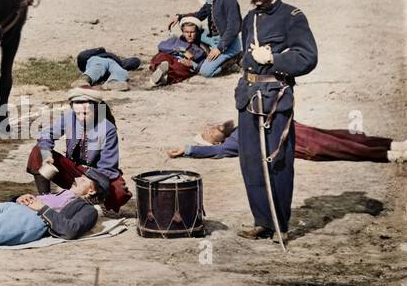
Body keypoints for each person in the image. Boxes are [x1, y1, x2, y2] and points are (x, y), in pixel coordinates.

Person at [234, 0, 318, 242]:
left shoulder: (292, 16)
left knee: (277, 161)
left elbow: (308, 58)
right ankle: (262, 220)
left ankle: (280, 224)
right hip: (248, 96)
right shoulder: (250, 18)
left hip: (275, 98)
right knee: (250, 161)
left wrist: (274, 59)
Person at [27, 89, 130, 211]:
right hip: (75, 171)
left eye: (86, 113)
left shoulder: (108, 128)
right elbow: (46, 135)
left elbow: (108, 167)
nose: (81, 118)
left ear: (96, 109)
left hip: (98, 174)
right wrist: (46, 155)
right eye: (78, 114)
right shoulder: (69, 118)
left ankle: (94, 204)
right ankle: (46, 200)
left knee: (119, 192)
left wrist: (91, 183)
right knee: (38, 151)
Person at [166, 119, 406, 164]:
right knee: (341, 148)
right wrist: (188, 149)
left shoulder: (235, 128)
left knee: (341, 136)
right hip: (290, 140)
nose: (210, 128)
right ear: (215, 144)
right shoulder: (232, 144)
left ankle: (391, 144)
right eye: (207, 133)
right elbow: (213, 153)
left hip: (290, 127)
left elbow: (227, 122)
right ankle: (389, 155)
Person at [178, 0, 243, 78]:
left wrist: (219, 48)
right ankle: (206, 52)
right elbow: (201, 14)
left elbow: (234, 28)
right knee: (189, 33)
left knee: (206, 72)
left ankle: (233, 61)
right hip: (213, 37)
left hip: (228, 43)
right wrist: (180, 17)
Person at [146, 17, 209, 87]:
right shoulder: (176, 40)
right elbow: (161, 46)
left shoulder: (199, 50)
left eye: (192, 32)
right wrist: (179, 49)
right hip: (169, 58)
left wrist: (192, 64)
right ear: (182, 32)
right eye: (186, 32)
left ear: (197, 32)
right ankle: (160, 70)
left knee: (180, 68)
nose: (189, 35)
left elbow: (203, 64)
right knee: (161, 56)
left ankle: (163, 78)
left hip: (181, 62)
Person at [70, 47, 142, 91]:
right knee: (97, 68)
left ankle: (113, 83)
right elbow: (82, 56)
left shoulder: (119, 62)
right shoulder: (94, 56)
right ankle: (83, 80)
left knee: (121, 71)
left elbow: (134, 61)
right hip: (98, 59)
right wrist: (100, 50)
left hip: (115, 63)